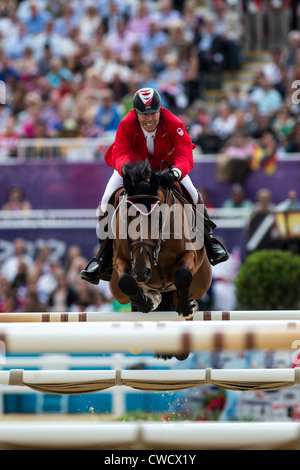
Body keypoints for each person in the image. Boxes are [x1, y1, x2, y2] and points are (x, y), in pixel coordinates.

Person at [81, 87, 228, 285]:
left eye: (153, 114)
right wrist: (127, 170)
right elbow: (120, 151)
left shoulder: (173, 122)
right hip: (134, 167)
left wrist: (175, 173)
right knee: (107, 200)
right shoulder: (127, 124)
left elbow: (185, 152)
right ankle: (104, 256)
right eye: (144, 115)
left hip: (165, 168)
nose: (149, 119)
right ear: (136, 113)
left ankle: (209, 242)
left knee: (194, 195)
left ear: (160, 110)